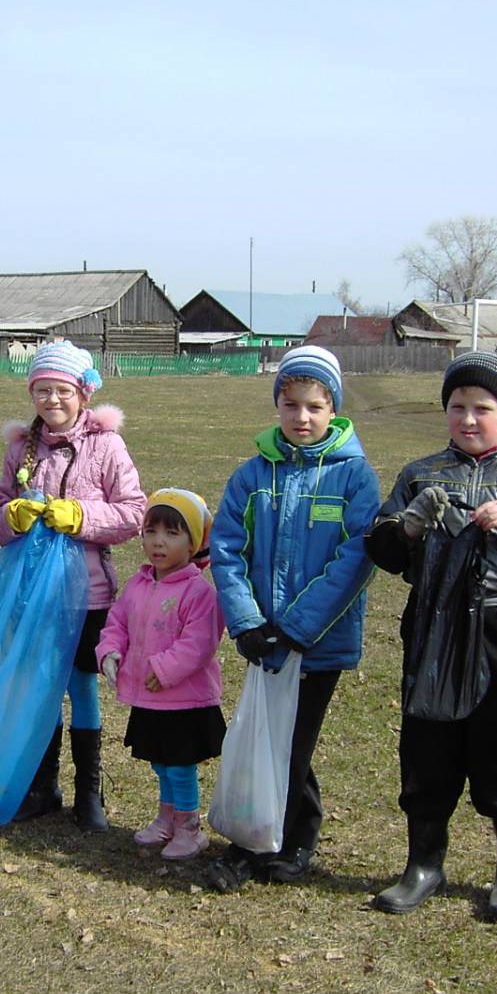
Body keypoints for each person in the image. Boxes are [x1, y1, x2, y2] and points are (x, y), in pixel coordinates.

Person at [364, 351, 497, 923]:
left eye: (482, 408)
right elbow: (383, 548)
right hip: (433, 627)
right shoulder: (420, 473)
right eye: (457, 407)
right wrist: (409, 524)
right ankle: (423, 866)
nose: (467, 419)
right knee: (427, 749)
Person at [206, 345, 381, 891]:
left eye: (313, 407)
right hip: (263, 638)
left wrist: (298, 627)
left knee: (294, 742)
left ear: (334, 410)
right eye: (290, 405)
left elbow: (355, 558)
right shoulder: (253, 475)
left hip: (317, 642)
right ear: (276, 405)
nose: (301, 418)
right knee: (264, 736)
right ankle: (257, 837)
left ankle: (287, 838)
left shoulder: (354, 478)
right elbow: (227, 549)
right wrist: (247, 621)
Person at [0, 340, 146, 830]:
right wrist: (11, 517)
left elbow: (134, 513)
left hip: (87, 593)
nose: (52, 401)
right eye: (42, 391)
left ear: (82, 391)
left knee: (81, 685)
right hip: (32, 592)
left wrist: (80, 516)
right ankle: (43, 785)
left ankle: (89, 793)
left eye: (62, 390)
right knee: (39, 686)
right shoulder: (21, 448)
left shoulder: (106, 446)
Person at [96, 489, 226, 860]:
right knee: (159, 761)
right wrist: (109, 651)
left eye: (172, 534)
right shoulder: (137, 584)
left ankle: (190, 828)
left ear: (194, 543)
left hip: (183, 700)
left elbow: (199, 643)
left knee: (180, 765)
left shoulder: (199, 592)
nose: (158, 542)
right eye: (151, 531)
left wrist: (164, 669)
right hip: (149, 697)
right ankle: (166, 818)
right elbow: (116, 622)